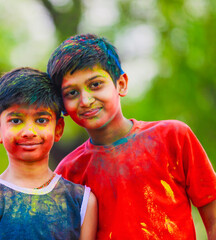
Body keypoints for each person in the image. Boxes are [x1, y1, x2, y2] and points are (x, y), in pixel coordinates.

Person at [46, 33, 216, 239]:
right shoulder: (68, 172)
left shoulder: (173, 137)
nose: (86, 100)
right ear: (62, 106)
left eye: (95, 84)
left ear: (121, 84)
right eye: (72, 93)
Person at [0, 67, 97, 240]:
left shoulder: (80, 201)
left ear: (58, 128)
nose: (29, 131)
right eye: (16, 120)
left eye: (41, 120)